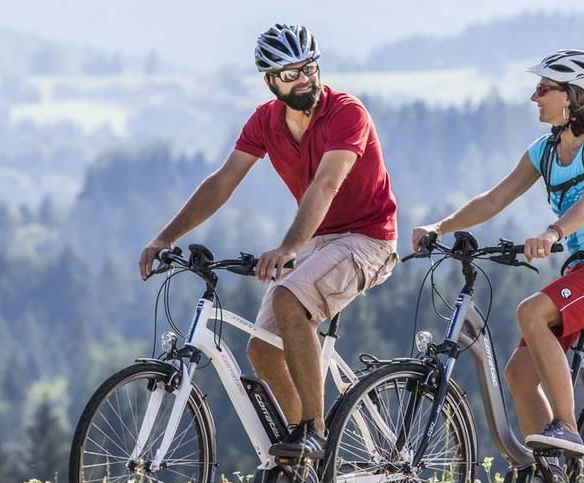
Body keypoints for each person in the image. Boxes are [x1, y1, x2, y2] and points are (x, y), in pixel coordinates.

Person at [138, 23, 398, 459]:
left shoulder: (346, 113)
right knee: (262, 349)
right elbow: (223, 181)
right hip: (317, 238)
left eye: (309, 68)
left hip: (367, 238)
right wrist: (165, 237)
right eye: (291, 73)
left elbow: (327, 184)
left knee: (289, 299)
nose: (304, 79)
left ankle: (312, 432)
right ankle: (306, 462)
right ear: (270, 80)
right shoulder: (265, 121)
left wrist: (290, 247)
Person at [412, 49, 584, 455]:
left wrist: (553, 231)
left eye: (543, 89)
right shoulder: (545, 150)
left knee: (531, 312)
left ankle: (567, 427)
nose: (533, 97)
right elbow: (494, 199)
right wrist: (441, 226)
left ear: (573, 95)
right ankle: (548, 473)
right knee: (520, 375)